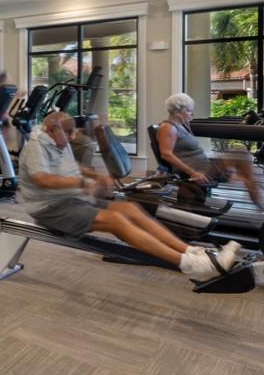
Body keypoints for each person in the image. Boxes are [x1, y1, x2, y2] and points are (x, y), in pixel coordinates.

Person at [19, 111, 237, 282]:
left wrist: (95, 175)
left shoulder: (59, 142)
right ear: (49, 130)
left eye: (72, 131)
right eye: (67, 132)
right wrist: (83, 182)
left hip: (72, 199)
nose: (72, 136)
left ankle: (192, 251)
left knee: (130, 209)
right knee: (116, 220)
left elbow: (72, 166)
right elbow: (43, 179)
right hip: (50, 207)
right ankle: (191, 266)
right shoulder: (36, 147)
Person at [158, 92, 264, 208]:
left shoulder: (181, 126)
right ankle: (258, 199)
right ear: (179, 112)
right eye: (189, 111)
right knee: (244, 165)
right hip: (200, 171)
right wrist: (193, 173)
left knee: (245, 168)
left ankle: (253, 191)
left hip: (205, 166)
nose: (192, 114)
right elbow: (166, 154)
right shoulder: (168, 128)